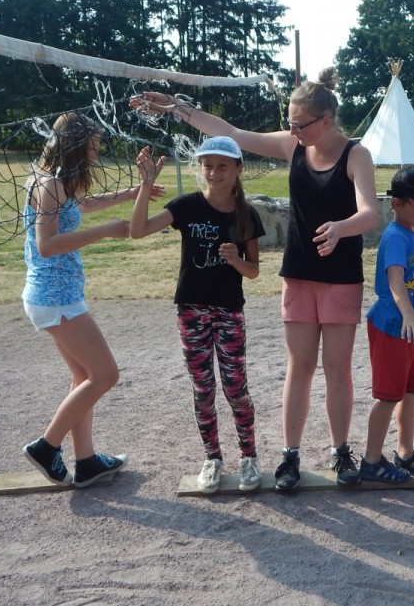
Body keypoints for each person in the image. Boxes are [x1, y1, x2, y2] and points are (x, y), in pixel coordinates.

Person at [130, 68, 378, 492]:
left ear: (326, 121)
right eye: (290, 123)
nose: (292, 131)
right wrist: (174, 107)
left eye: (299, 125)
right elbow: (229, 133)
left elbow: (370, 212)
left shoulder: (357, 155)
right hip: (298, 274)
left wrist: (341, 227)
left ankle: (340, 452)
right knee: (299, 368)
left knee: (337, 370)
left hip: (340, 278)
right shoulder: (293, 145)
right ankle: (290, 456)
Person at [21, 112, 160, 488]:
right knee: (106, 375)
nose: (96, 154)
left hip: (55, 295)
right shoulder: (49, 184)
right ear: (75, 145)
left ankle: (86, 462)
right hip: (55, 297)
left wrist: (131, 193)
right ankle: (46, 447)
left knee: (83, 377)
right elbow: (47, 245)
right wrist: (106, 232)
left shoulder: (54, 181)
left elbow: (81, 204)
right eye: (93, 146)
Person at [130, 137, 266, 492]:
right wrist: (145, 185)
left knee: (235, 388)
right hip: (191, 311)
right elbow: (138, 230)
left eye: (222, 166)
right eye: (207, 166)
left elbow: (253, 271)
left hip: (228, 312)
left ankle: (249, 456)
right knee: (203, 389)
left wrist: (236, 260)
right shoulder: (187, 206)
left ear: (238, 169)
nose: (214, 173)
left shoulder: (247, 214)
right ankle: (212, 458)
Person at [359, 168, 414, 483]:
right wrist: (409, 314)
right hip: (392, 327)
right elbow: (395, 279)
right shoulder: (396, 235)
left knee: (410, 391)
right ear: (396, 203)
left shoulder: (410, 232)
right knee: (388, 397)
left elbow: (410, 272)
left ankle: (405, 453)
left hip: (409, 330)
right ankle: (371, 461)